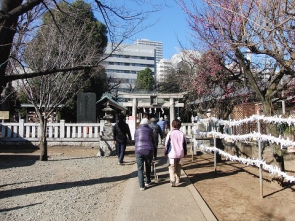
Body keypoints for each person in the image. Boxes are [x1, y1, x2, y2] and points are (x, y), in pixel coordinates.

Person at [164, 119, 187, 187]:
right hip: (180, 153)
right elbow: (184, 144)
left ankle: (172, 180)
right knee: (178, 166)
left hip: (172, 153)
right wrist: (185, 153)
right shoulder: (182, 134)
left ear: (172, 125)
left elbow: (167, 144)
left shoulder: (170, 133)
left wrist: (165, 152)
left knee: (171, 167)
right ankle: (178, 179)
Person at [134, 118, 155, 191]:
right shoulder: (150, 130)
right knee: (148, 166)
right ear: (147, 124)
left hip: (138, 150)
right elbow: (153, 140)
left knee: (140, 168)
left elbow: (135, 140)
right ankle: (148, 181)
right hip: (148, 150)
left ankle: (141, 186)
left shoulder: (137, 130)